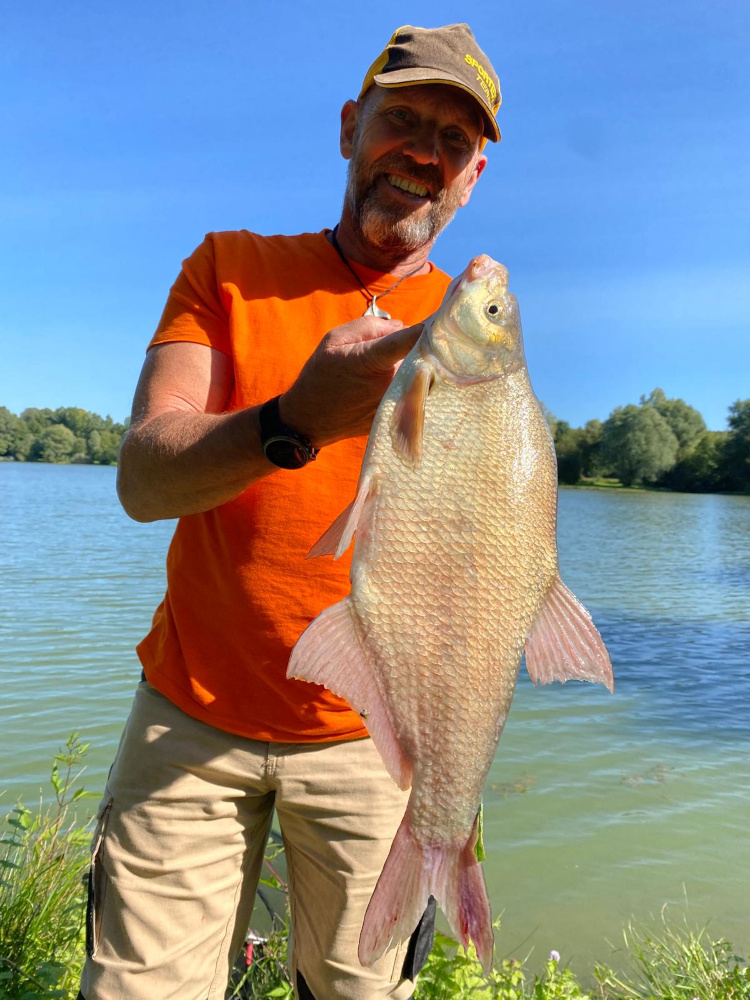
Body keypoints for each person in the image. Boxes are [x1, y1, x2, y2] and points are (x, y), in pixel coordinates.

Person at [79, 22, 501, 1000]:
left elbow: (478, 577)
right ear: (351, 127)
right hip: (189, 715)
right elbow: (143, 479)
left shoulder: (472, 342)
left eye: (452, 141)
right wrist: (292, 421)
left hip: (373, 742)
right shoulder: (226, 268)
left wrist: (450, 772)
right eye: (403, 119)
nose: (422, 153)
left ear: (472, 177)